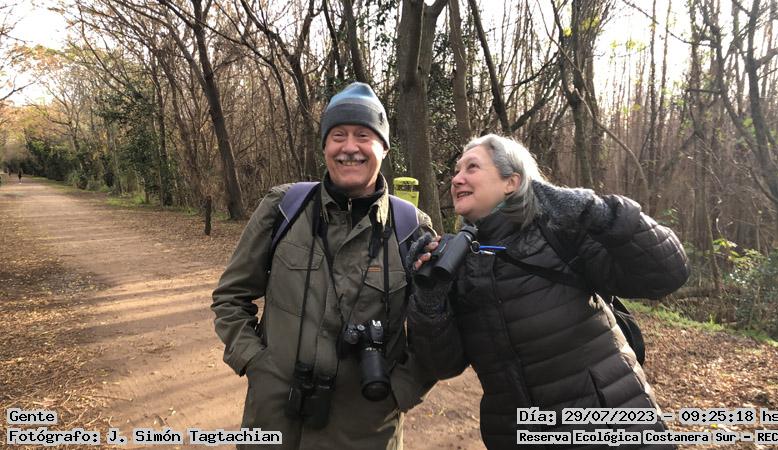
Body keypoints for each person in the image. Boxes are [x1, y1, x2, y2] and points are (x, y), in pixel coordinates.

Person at [407, 134, 690, 450]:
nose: (457, 178)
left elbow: (667, 274)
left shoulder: (558, 231)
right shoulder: (456, 263)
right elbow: (443, 365)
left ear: (512, 182)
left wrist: (596, 212)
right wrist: (429, 298)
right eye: (456, 171)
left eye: (472, 167)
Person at [211, 82, 436, 450]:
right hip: (273, 421)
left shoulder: (412, 230)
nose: (350, 147)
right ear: (325, 147)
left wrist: (402, 390)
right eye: (338, 135)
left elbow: (437, 332)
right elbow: (230, 297)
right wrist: (255, 362)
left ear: (383, 147)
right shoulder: (283, 208)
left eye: (363, 135)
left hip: (364, 431)